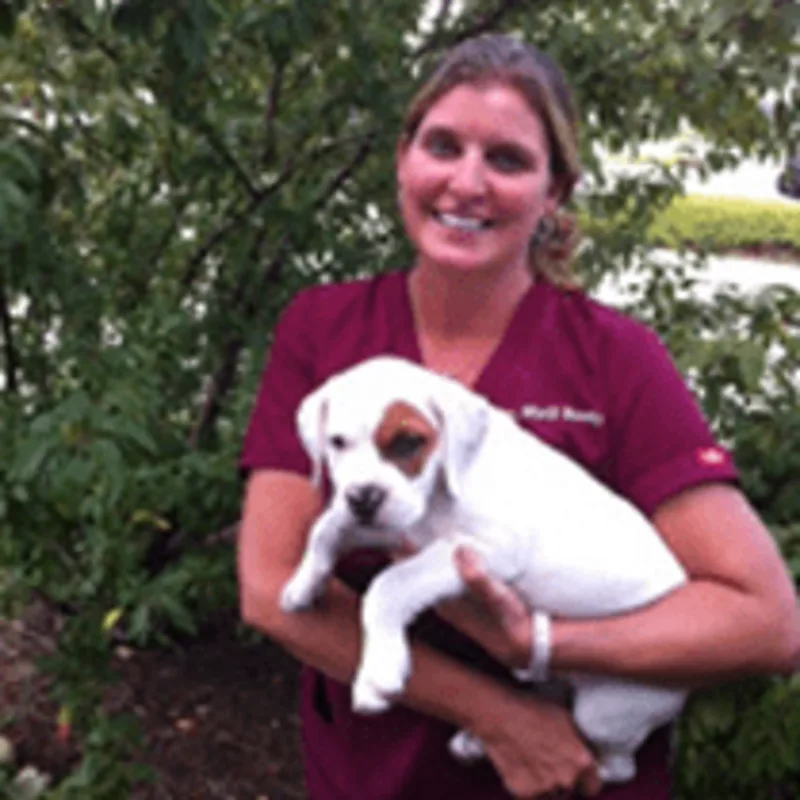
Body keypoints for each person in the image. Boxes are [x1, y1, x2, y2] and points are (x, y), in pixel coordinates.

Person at [237, 34, 800, 799]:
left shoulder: (615, 357)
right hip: (373, 776)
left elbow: (765, 623)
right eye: (443, 145)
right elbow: (272, 588)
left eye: (507, 159)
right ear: (403, 159)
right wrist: (500, 714)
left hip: (581, 778)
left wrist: (543, 645)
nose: (466, 182)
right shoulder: (327, 331)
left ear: (555, 191)